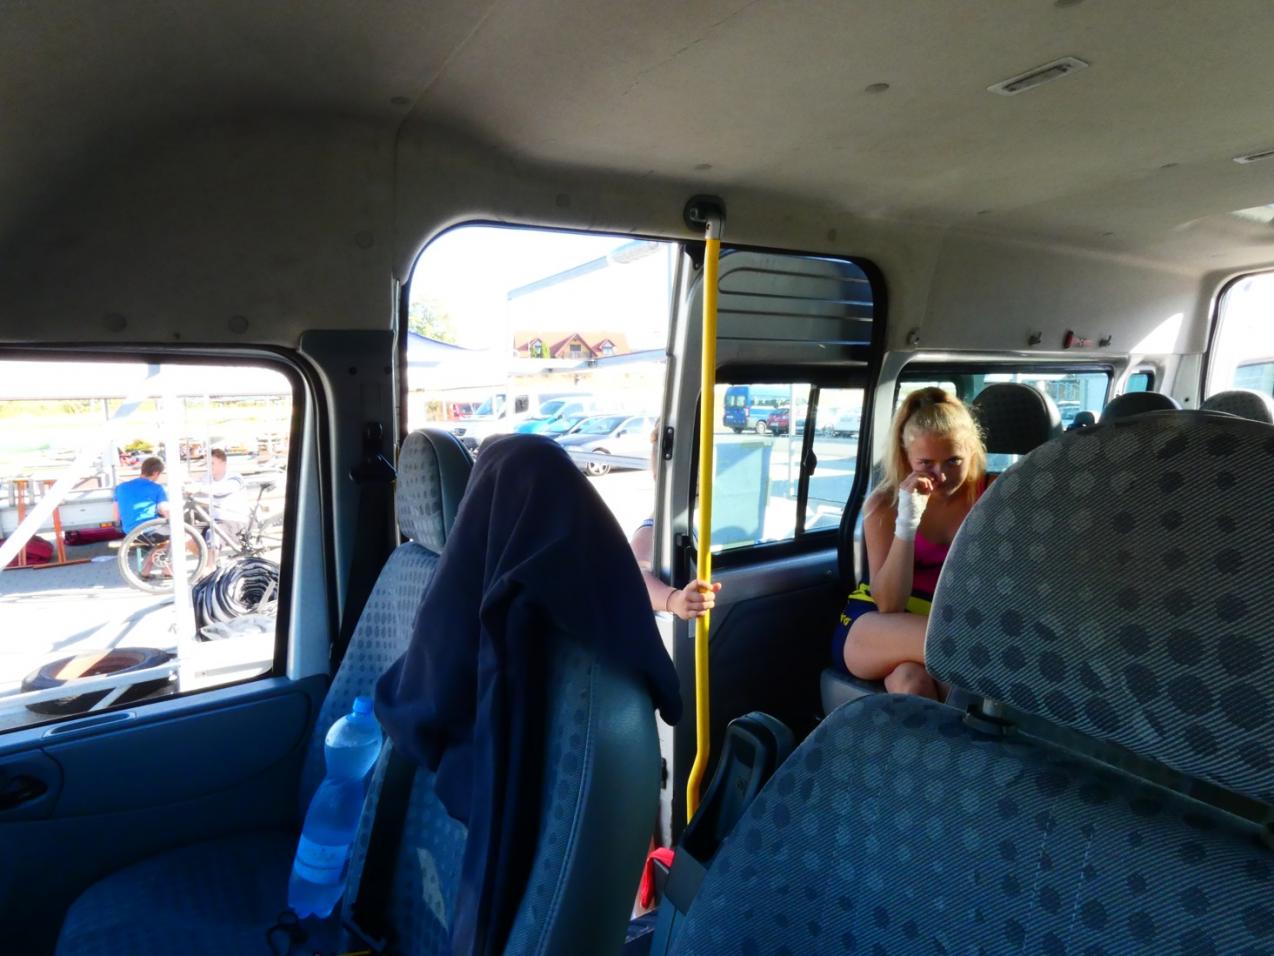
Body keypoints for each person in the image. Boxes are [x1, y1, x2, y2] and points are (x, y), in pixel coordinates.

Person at [832, 387, 988, 700]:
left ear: (972, 450)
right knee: (966, 649)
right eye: (926, 463)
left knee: (911, 682)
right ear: (906, 456)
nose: (941, 475)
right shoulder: (885, 504)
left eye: (953, 461)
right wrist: (907, 520)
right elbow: (889, 605)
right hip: (879, 625)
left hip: (949, 618)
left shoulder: (994, 495)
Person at [628, 423, 721, 620]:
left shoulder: (687, 523)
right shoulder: (649, 531)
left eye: (706, 474)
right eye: (694, 478)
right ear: (659, 478)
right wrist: (673, 600)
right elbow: (636, 575)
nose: (700, 484)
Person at [114, 456, 172, 577]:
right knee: (180, 534)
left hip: (129, 530)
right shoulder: (156, 488)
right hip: (147, 529)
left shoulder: (121, 487)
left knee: (162, 538)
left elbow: (116, 514)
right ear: (155, 473)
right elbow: (164, 509)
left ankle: (148, 571)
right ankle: (166, 570)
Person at [198, 448, 250, 555]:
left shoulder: (235, 477)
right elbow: (197, 490)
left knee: (213, 534)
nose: (209, 467)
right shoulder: (206, 477)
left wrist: (199, 488)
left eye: (212, 463)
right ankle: (208, 560)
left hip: (234, 521)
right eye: (207, 464)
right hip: (214, 521)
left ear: (224, 464)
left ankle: (211, 563)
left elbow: (223, 488)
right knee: (186, 534)